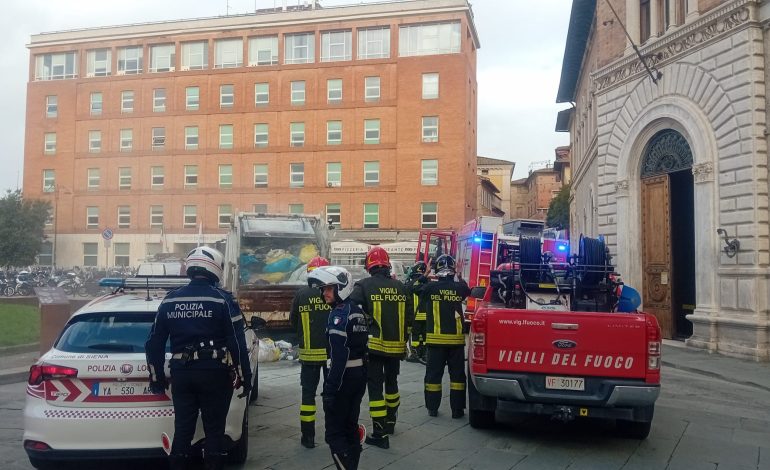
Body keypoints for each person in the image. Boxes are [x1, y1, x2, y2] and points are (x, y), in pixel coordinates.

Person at [145, 246, 252, 470]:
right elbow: (236, 342)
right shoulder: (222, 300)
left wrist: (156, 377)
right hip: (214, 373)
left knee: (183, 430)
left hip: (181, 374)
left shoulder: (169, 300)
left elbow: (153, 343)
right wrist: (245, 376)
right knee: (214, 431)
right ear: (215, 270)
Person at [349, 246, 413, 449]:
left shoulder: (364, 286)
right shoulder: (402, 287)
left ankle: (379, 432)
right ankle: (391, 422)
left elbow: (351, 309)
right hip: (397, 346)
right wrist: (406, 341)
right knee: (392, 384)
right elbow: (410, 318)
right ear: (386, 265)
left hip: (375, 347)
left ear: (369, 266)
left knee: (375, 388)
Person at [310, 265, 369, 470]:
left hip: (343, 378)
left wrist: (330, 390)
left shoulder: (339, 315)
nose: (324, 292)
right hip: (358, 375)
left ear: (341, 288)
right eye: (323, 288)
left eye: (328, 288)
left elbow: (338, 357)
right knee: (350, 427)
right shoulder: (357, 311)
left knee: (334, 433)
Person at [415, 254, 470, 419]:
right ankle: (457, 410)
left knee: (433, 377)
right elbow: (467, 289)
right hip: (456, 343)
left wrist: (425, 276)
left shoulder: (430, 288)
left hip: (435, 341)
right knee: (458, 378)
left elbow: (413, 287)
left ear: (436, 270)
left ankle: (432, 408)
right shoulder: (459, 289)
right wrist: (460, 277)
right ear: (453, 270)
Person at [289, 256, 332, 449]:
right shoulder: (333, 294)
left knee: (308, 396)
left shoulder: (301, 294)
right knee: (332, 395)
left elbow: (293, 321)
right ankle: (333, 434)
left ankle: (308, 438)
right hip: (332, 355)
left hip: (308, 355)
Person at [405, 261, 429, 363]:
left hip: (415, 315)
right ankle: (425, 354)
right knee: (425, 336)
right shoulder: (428, 284)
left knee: (415, 336)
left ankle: (415, 353)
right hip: (427, 316)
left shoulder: (412, 283)